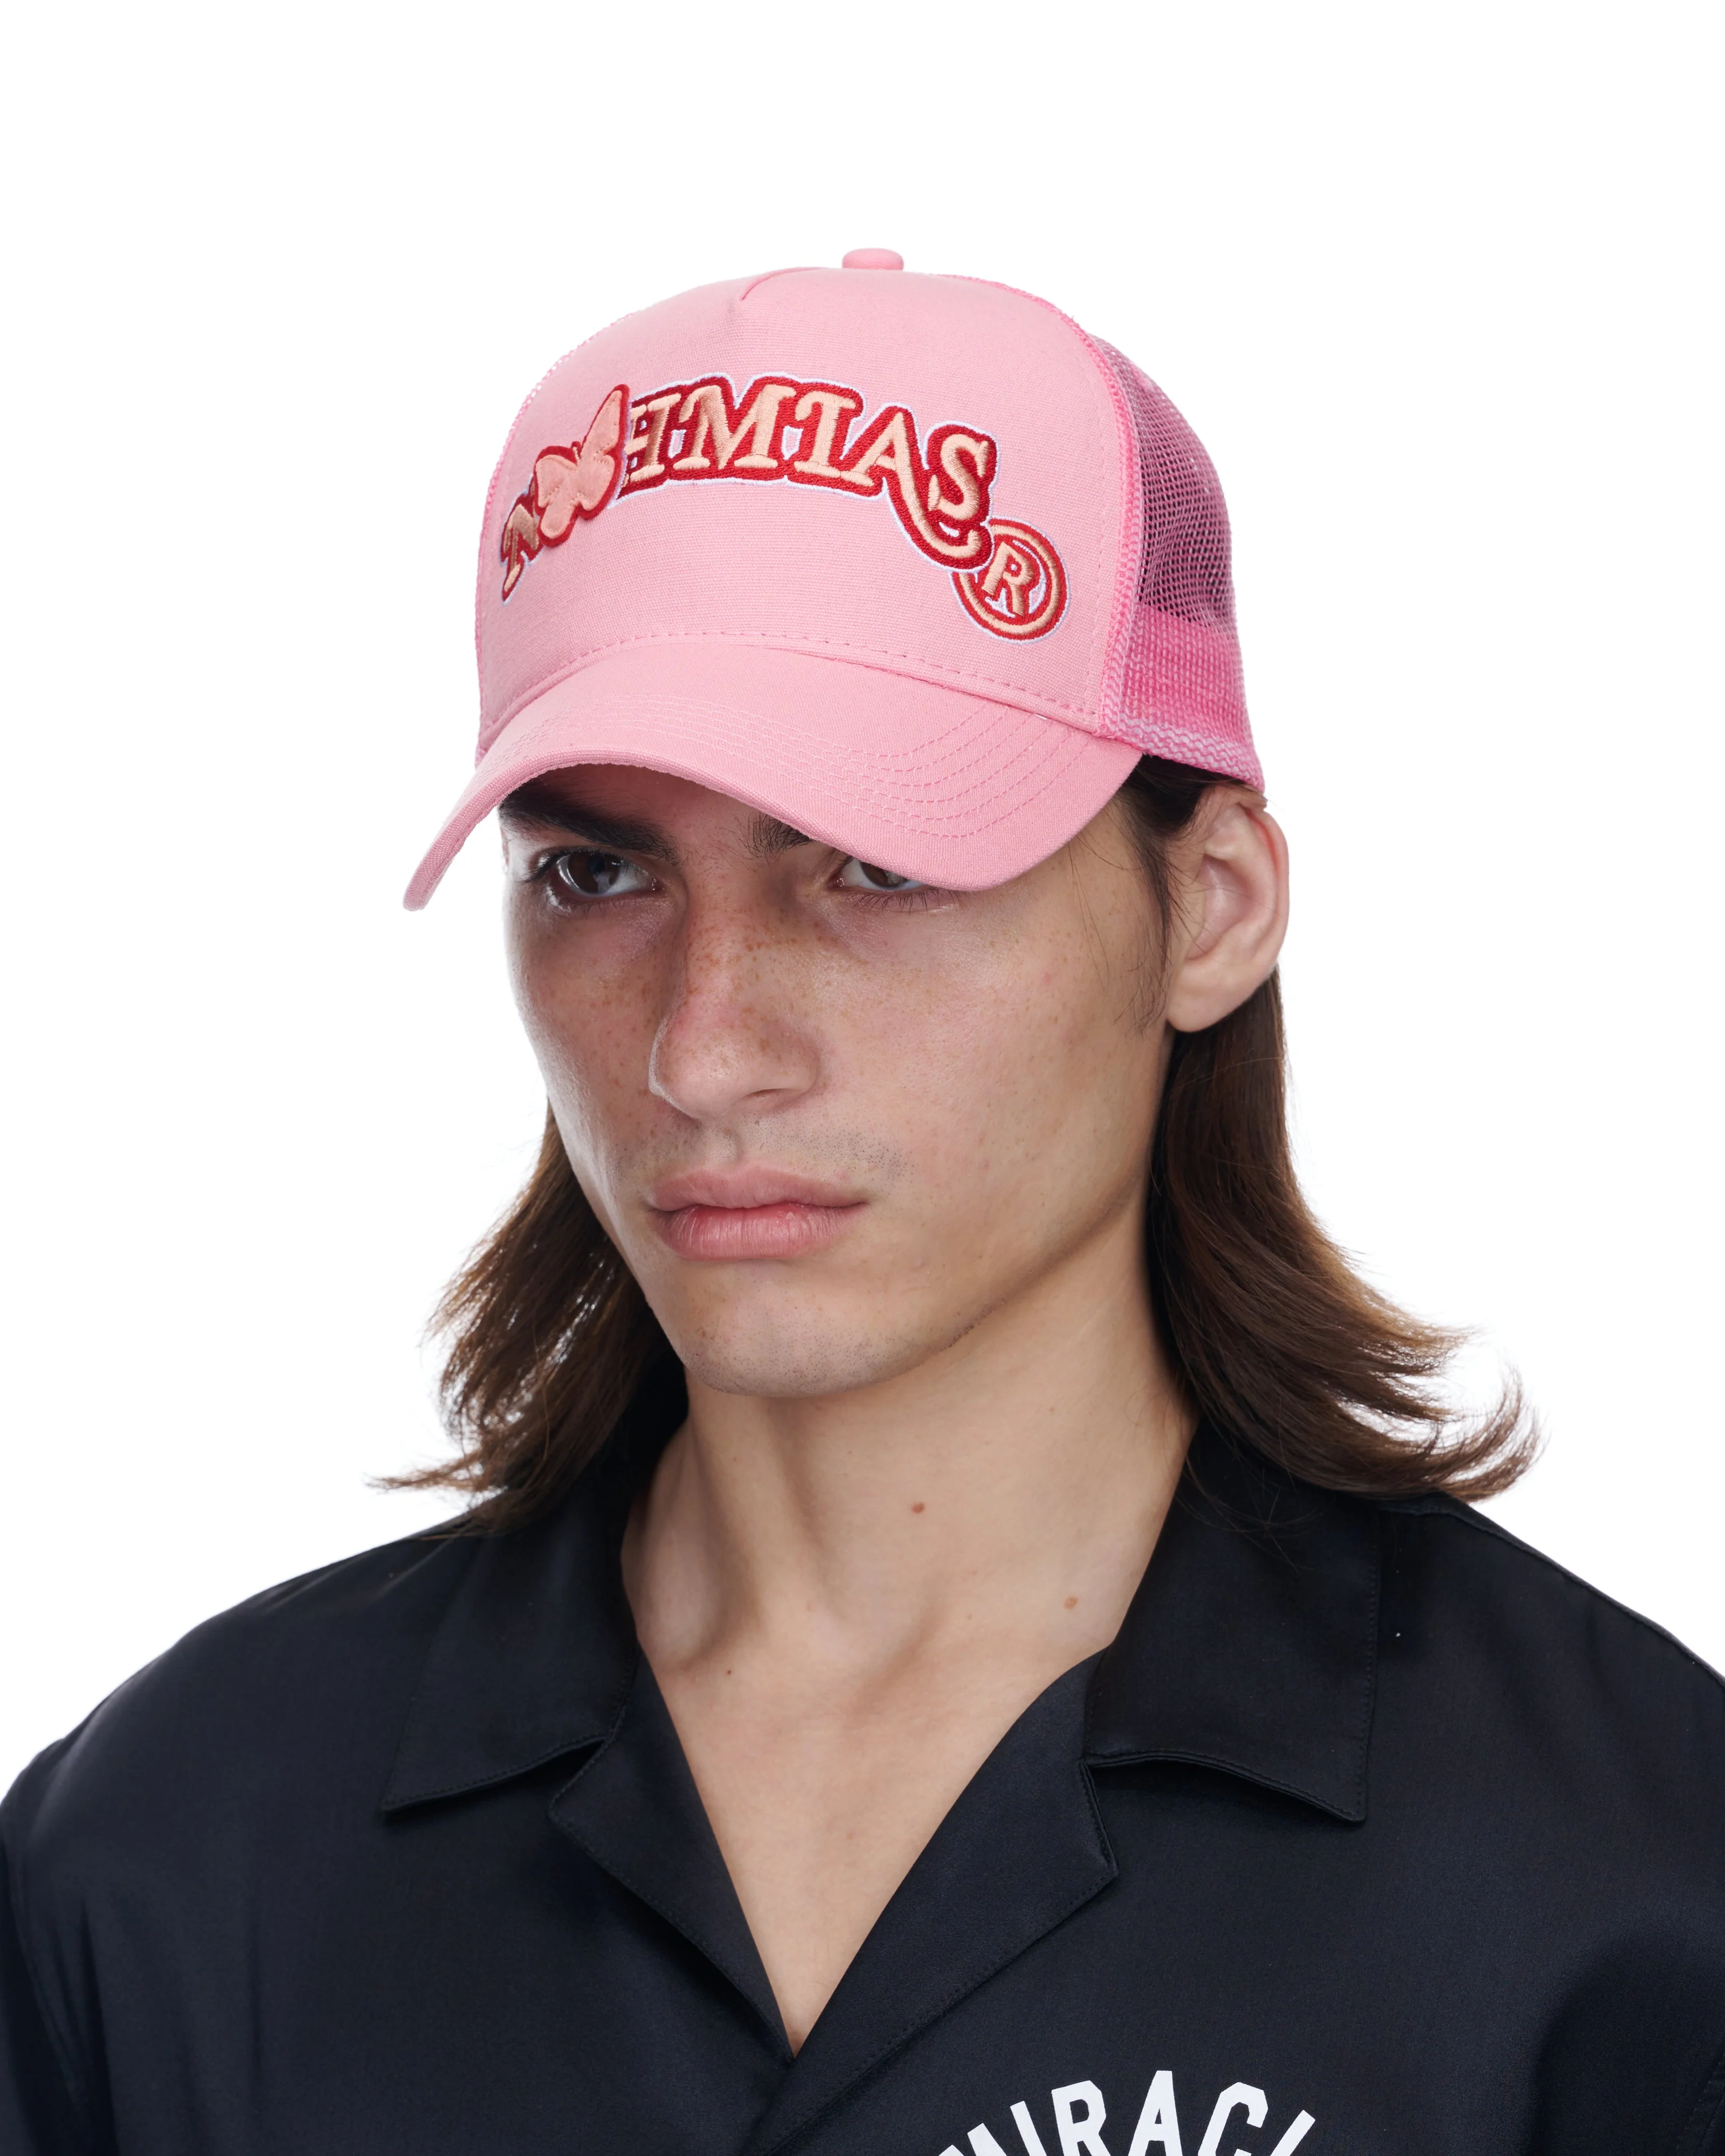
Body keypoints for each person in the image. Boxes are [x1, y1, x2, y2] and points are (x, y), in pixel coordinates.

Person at [3, 252, 1722, 2156]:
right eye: (595, 875)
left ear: (1213, 906)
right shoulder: (162, 1867)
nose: (703, 1050)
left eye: (878, 870)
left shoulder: (1635, 1893)